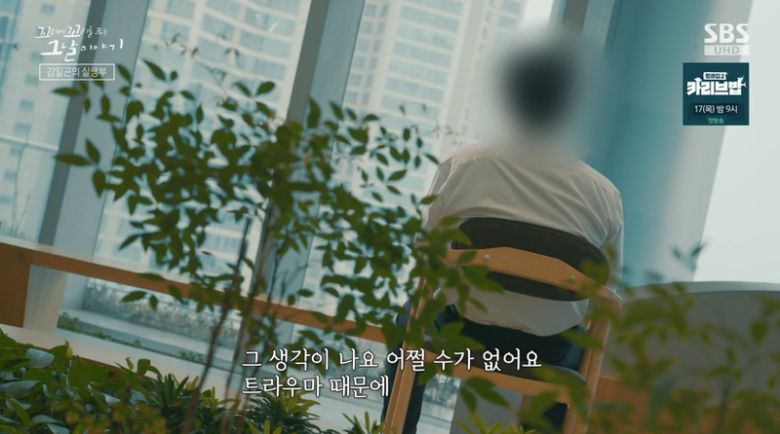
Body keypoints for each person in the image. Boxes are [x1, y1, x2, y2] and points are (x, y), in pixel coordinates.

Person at [381, 33, 624, 433]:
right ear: (569, 106)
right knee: (579, 347)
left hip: (464, 332)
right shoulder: (604, 195)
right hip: (546, 352)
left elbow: (428, 255)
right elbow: (605, 288)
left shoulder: (462, 166)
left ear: (509, 97)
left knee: (406, 321)